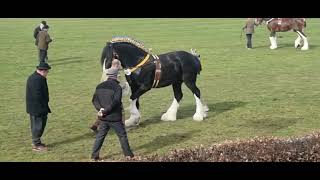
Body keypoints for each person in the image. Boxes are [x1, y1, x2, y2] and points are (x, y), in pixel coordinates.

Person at [91, 64, 134, 161]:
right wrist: (105, 110)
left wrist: (101, 110)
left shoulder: (99, 86)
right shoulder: (117, 87)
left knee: (100, 136)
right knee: (122, 135)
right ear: (116, 75)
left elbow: (94, 100)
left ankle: (94, 156)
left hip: (103, 118)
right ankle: (128, 155)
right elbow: (116, 102)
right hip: (115, 118)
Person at [90, 59, 122, 133]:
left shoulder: (107, 71)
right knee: (118, 110)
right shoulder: (115, 73)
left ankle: (95, 126)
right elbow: (120, 85)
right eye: (119, 65)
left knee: (104, 111)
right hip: (111, 95)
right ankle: (121, 128)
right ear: (117, 65)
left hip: (102, 94)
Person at [26, 62, 52, 152]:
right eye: (47, 71)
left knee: (37, 125)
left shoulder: (34, 77)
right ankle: (36, 144)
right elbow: (37, 95)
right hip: (38, 108)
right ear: (43, 71)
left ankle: (37, 142)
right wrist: (43, 107)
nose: (47, 73)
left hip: (35, 107)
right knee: (38, 126)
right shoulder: (38, 79)